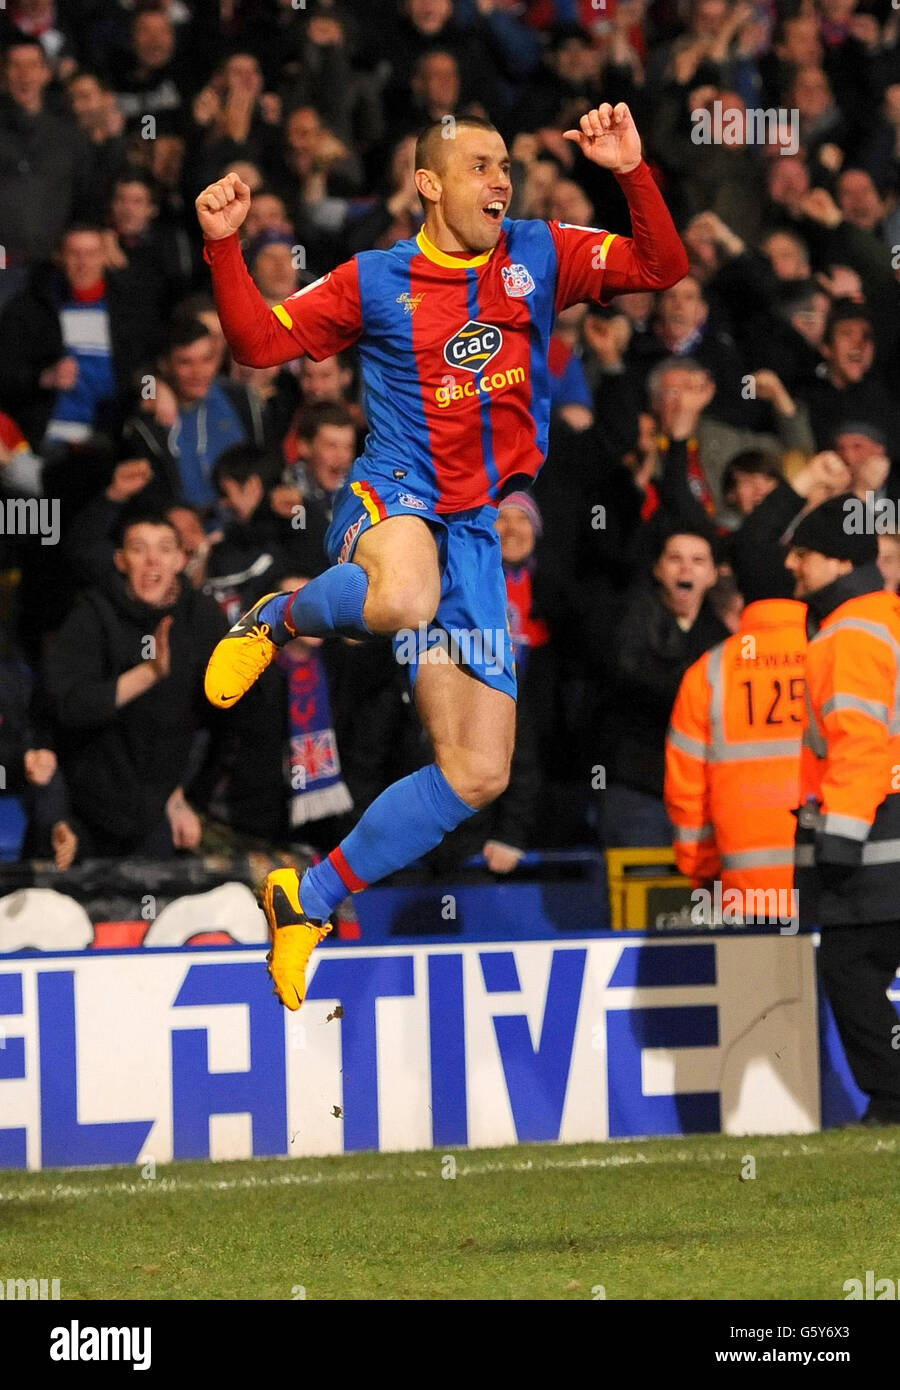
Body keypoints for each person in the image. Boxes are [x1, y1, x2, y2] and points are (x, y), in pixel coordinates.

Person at [196, 103, 689, 1009]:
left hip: (477, 533)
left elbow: (664, 265)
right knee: (406, 594)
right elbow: (258, 343)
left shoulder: (538, 254)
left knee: (478, 772)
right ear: (429, 182)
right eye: (479, 167)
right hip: (392, 503)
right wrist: (225, 248)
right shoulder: (374, 278)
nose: (501, 180)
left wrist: (630, 169)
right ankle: (277, 614)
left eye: (507, 164)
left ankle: (304, 901)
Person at [786, 495, 900, 1126]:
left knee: (851, 962)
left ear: (835, 559)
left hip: (879, 835)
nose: (793, 568)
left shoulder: (848, 633)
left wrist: (840, 841)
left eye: (802, 554)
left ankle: (892, 1098)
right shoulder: (884, 619)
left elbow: (858, 743)